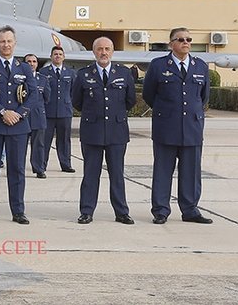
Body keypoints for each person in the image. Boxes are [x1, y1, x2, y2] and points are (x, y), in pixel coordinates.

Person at [143, 27, 213, 224]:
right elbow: (149, 95)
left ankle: (190, 210)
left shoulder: (200, 66)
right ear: (171, 44)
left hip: (192, 127)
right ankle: (161, 210)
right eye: (181, 39)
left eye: (188, 39)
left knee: (191, 172)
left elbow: (203, 96)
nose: (186, 42)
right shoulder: (157, 66)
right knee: (163, 171)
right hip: (166, 126)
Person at [72, 37, 136, 224]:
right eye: (100, 49)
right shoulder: (84, 74)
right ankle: (86, 211)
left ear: (112, 52)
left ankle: (121, 212)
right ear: (94, 52)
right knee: (90, 174)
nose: (103, 52)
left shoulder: (123, 73)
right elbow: (77, 101)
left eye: (107, 49)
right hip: (92, 132)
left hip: (117, 132)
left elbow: (130, 100)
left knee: (117, 174)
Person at [0, 25, 35, 225]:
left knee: (17, 170)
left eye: (9, 41)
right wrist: (3, 112)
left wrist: (18, 114)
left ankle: (18, 211)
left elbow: (33, 95)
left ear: (15, 43)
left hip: (18, 126)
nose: (6, 44)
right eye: (2, 41)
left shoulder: (25, 68)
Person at [39, 46, 76, 174]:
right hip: (48, 111)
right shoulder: (44, 72)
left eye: (60, 54)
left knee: (64, 139)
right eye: (55, 54)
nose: (58, 56)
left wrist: (68, 102)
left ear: (64, 57)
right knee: (45, 140)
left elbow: (73, 92)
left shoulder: (70, 73)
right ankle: (41, 165)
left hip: (65, 111)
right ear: (51, 57)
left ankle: (66, 164)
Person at [24, 54, 51, 179]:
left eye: (34, 61)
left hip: (38, 116)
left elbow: (47, 98)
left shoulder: (43, 79)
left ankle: (39, 169)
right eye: (28, 61)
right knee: (20, 145)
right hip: (22, 117)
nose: (31, 63)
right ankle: (18, 169)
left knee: (39, 144)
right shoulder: (18, 78)